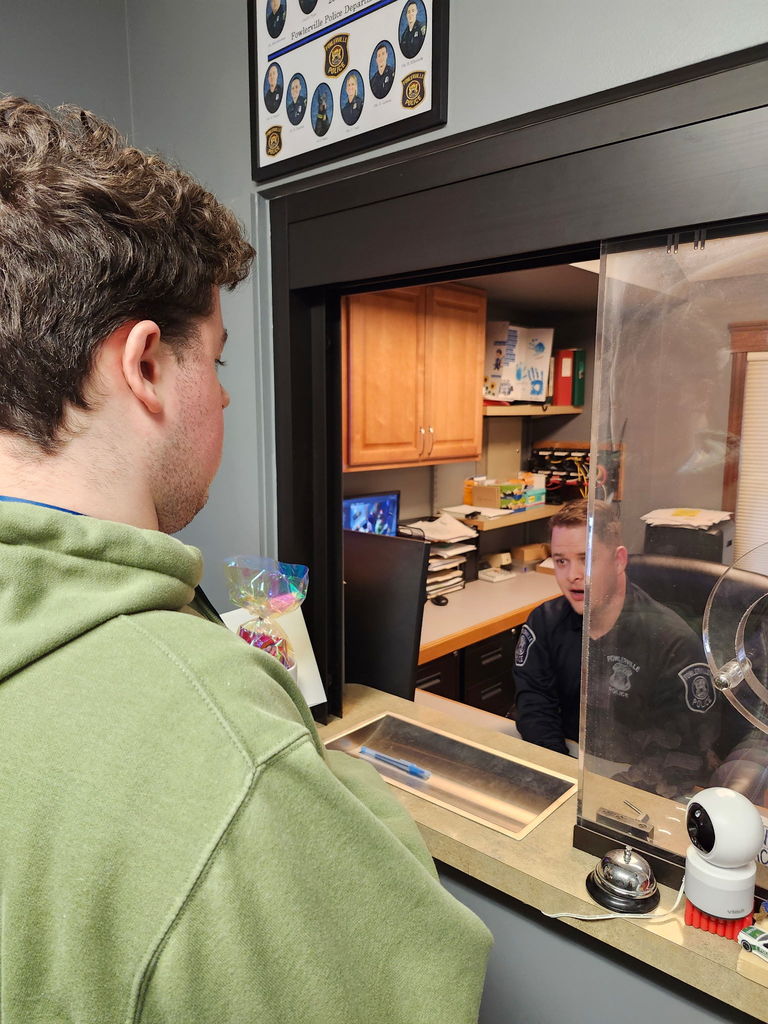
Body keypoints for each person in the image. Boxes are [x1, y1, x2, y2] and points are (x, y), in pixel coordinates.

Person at [0, 96, 490, 1023]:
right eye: (217, 364)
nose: (225, 402)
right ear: (143, 366)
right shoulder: (220, 746)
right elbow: (420, 986)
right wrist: (297, 760)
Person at [513, 499, 722, 798]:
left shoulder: (671, 641)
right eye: (561, 560)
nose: (573, 575)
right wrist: (558, 778)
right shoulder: (544, 623)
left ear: (619, 560)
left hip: (642, 784)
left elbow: (682, 751)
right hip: (570, 764)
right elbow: (535, 706)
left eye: (586, 559)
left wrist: (605, 796)